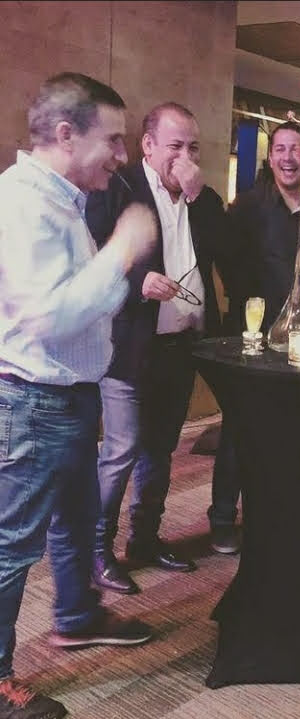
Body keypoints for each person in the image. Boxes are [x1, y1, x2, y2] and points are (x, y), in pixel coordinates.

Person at [0, 72, 155, 719]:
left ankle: (75, 616)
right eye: (112, 140)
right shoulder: (21, 204)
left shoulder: (60, 199)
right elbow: (51, 315)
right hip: (33, 402)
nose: (121, 155)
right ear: (66, 135)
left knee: (75, 520)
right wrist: (121, 251)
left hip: (69, 396)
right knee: (10, 547)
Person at [86, 102, 239, 598]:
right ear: (148, 145)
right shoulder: (120, 186)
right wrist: (138, 281)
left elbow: (226, 251)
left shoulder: (202, 197)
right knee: (121, 450)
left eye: (193, 147)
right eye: (175, 146)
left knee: (160, 450)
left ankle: (145, 539)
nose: (185, 157)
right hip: (129, 345)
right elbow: (92, 257)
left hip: (181, 345)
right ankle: (96, 550)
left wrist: (197, 195)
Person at [227, 121, 300, 334]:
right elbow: (230, 272)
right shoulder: (246, 208)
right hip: (252, 333)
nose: (287, 157)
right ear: (270, 159)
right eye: (280, 149)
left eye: (296, 149)